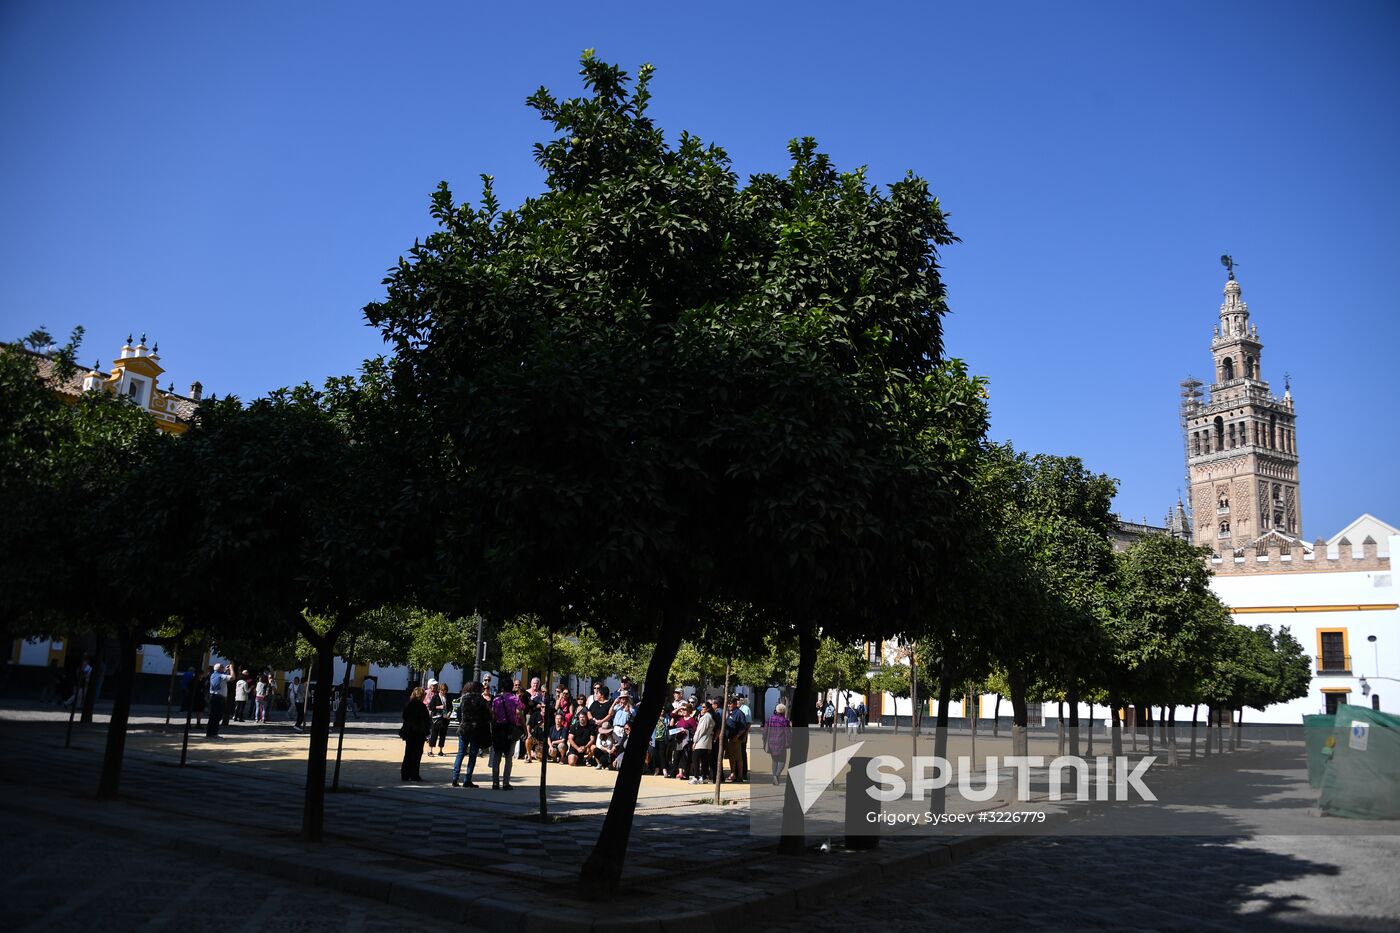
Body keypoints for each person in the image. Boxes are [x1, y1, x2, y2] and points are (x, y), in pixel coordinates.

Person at [452, 680, 492, 788]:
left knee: (460, 753)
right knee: (472, 754)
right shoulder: (480, 700)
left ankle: (455, 778)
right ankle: (467, 779)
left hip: (464, 728)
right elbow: (487, 715)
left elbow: (458, 713)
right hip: (475, 729)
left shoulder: (463, 698)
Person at [489, 678, 524, 790]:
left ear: (502, 687)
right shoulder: (515, 699)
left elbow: (493, 715)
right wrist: (525, 729)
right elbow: (519, 714)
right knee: (509, 757)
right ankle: (505, 783)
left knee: (497, 756)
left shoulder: (496, 699)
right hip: (510, 729)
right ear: (512, 687)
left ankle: (495, 782)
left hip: (498, 729)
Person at [401, 687, 430, 781]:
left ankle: (405, 774)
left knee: (408, 753)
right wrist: (427, 732)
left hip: (409, 732)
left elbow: (404, 716)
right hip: (418, 732)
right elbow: (426, 720)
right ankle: (414, 774)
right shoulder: (422, 706)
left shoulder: (408, 705)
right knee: (417, 754)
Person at [690, 699, 716, 784]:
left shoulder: (706, 717)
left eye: (704, 707)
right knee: (704, 760)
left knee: (695, 758)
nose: (701, 708)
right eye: (701, 707)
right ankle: (704, 777)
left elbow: (701, 730)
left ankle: (696, 777)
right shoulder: (707, 716)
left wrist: (695, 741)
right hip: (705, 741)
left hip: (702, 741)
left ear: (708, 708)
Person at [764, 703, 791, 783]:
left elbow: (765, 730)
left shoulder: (770, 719)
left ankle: (774, 777)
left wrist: (764, 740)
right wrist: (789, 742)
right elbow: (787, 733)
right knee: (782, 761)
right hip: (781, 742)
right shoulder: (785, 721)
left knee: (774, 760)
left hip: (771, 742)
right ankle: (777, 775)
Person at [724, 697, 748, 782]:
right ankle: (733, 773)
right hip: (729, 738)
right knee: (731, 758)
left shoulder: (739, 713)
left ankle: (740, 776)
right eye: (728, 703)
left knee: (738, 758)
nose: (729, 705)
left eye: (730, 703)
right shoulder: (729, 712)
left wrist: (737, 736)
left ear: (735, 704)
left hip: (735, 739)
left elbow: (743, 727)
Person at [206, 664, 229, 737]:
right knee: (216, 716)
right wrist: (231, 669)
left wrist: (226, 670)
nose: (223, 668)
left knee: (215, 716)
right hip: (217, 697)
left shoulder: (215, 675)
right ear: (219, 669)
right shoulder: (219, 675)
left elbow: (223, 676)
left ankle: (212, 733)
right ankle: (212, 733)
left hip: (216, 697)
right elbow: (232, 677)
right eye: (222, 667)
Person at [427, 681, 450, 757]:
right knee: (434, 734)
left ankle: (440, 751)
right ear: (439, 690)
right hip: (436, 719)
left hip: (445, 719)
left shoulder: (447, 697)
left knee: (443, 735)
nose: (443, 692)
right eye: (442, 690)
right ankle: (430, 750)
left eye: (445, 690)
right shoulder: (435, 697)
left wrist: (449, 713)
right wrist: (439, 707)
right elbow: (430, 707)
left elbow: (451, 707)